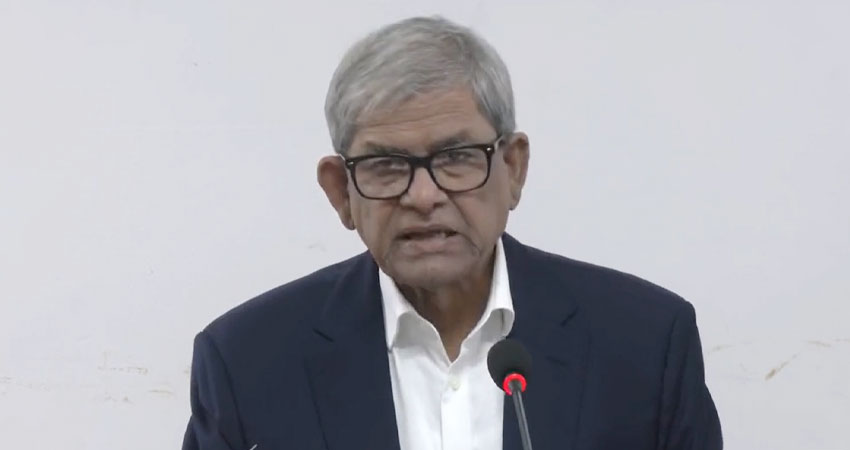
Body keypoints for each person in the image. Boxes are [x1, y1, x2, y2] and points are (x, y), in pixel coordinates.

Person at [182, 16, 722, 450]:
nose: (423, 197)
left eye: (457, 157)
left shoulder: (644, 343)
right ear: (341, 192)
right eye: (386, 165)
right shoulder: (247, 362)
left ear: (513, 169)